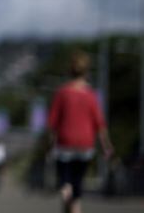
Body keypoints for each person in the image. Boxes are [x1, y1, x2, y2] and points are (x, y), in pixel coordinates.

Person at [48, 50, 113, 213]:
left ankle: (65, 189)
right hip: (85, 145)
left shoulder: (62, 93)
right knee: (77, 188)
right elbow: (100, 123)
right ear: (86, 71)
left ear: (70, 70)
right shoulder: (90, 95)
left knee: (66, 180)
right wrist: (106, 145)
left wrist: (49, 145)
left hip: (65, 143)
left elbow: (52, 123)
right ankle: (73, 199)